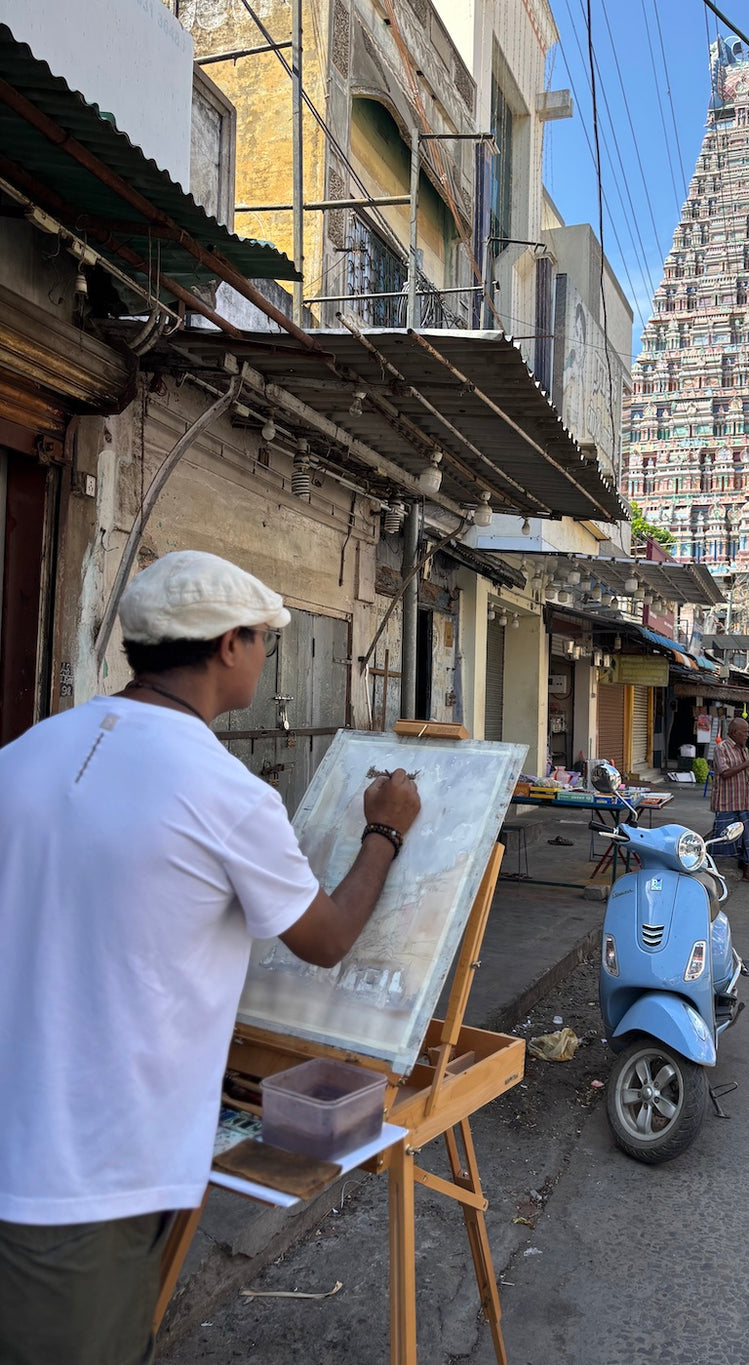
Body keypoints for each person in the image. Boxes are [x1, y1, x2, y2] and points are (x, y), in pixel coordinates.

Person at [0, 550, 421, 1365]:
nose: (266, 655)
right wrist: (387, 829)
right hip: (92, 1176)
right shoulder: (221, 789)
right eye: (263, 638)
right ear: (229, 645)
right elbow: (328, 938)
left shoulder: (28, 752)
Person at [709, 717, 749, 884]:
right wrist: (747, 764)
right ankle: (716, 872)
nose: (748, 735)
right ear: (734, 733)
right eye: (745, 732)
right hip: (727, 801)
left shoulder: (743, 749)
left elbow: (743, 774)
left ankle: (747, 872)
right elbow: (725, 773)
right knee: (723, 838)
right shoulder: (721, 748)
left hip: (743, 800)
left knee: (747, 838)